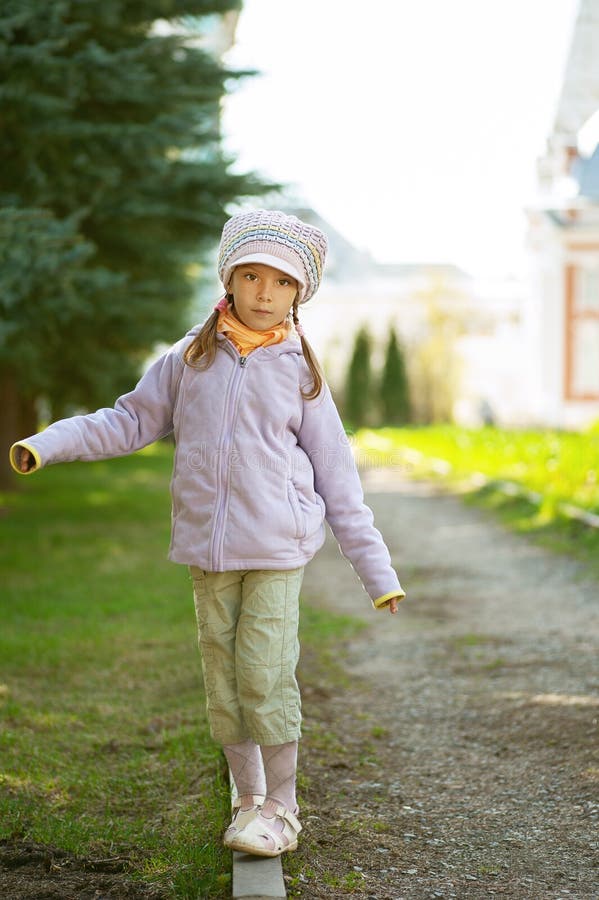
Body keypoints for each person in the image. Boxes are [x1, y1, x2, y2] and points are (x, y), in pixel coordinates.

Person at [10, 208, 406, 858]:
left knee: (263, 675)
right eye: (251, 275)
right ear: (230, 278)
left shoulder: (300, 375)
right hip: (209, 552)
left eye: (280, 282)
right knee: (223, 683)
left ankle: (283, 806)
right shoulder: (187, 359)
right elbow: (126, 420)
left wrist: (378, 575)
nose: (263, 291)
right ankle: (246, 799)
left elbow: (339, 481)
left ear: (297, 294)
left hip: (276, 552)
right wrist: (48, 444)